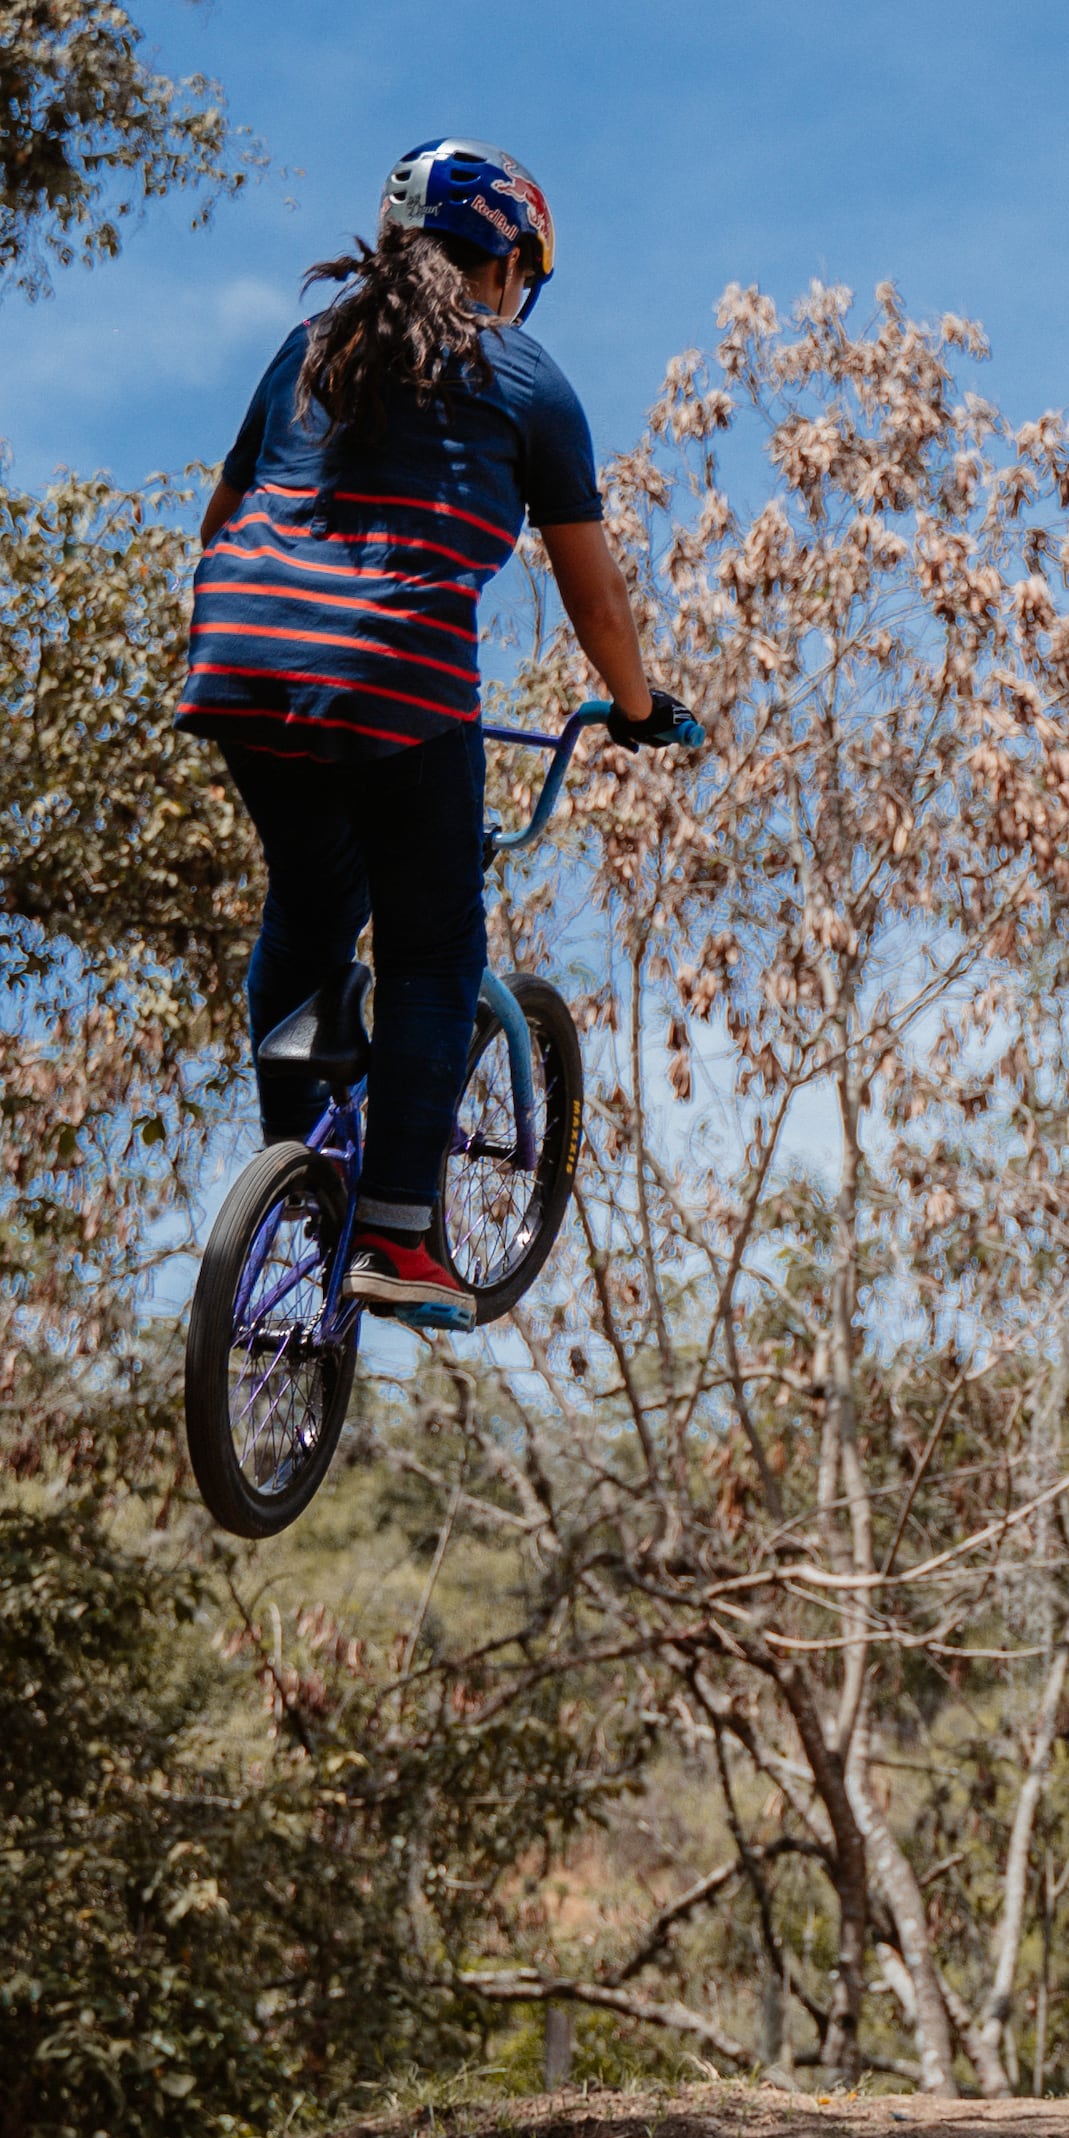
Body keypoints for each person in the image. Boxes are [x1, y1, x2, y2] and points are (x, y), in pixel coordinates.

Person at [178, 139, 699, 1325]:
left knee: (309, 907)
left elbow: (221, 518)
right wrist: (633, 708)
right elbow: (592, 591)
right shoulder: (524, 378)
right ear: (508, 258)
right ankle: (398, 1236)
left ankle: (294, 1171)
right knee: (432, 948)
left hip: (242, 663)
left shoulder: (306, 350)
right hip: (393, 680)